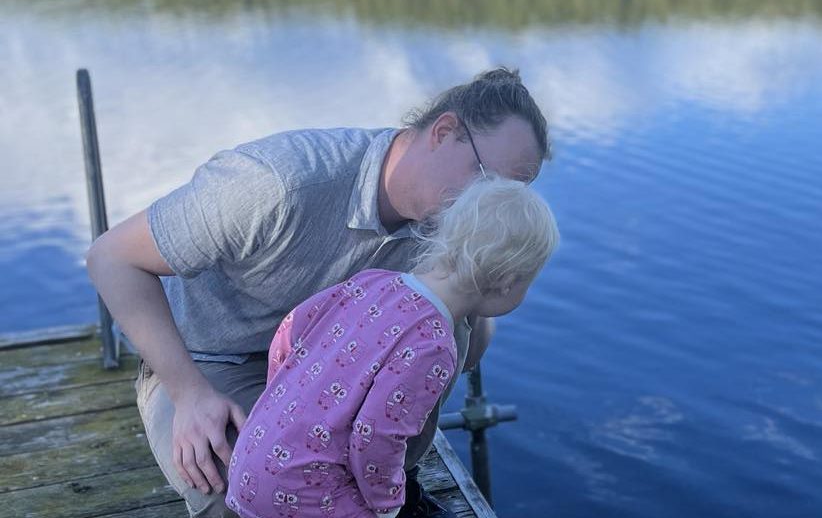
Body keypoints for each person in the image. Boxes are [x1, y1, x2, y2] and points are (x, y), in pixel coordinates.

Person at [86, 68, 551, 517]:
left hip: (320, 365)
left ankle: (395, 489)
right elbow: (111, 258)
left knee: (444, 334)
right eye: (489, 181)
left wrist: (482, 288)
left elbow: (465, 360)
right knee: (241, 489)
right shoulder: (278, 181)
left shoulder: (454, 231)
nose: (491, 205)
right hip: (209, 361)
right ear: (444, 131)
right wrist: (188, 393)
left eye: (511, 194)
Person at [226, 175, 558, 517]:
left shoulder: (374, 282)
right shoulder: (435, 346)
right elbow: (375, 438)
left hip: (251, 462)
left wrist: (283, 403)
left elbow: (290, 330)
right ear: (507, 283)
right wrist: (388, 506)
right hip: (304, 489)